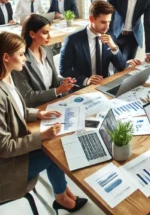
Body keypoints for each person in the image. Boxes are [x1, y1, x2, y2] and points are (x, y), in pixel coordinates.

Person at [0, 32, 87, 213]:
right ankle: (61, 196)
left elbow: (18, 110)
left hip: (16, 153)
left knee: (54, 145)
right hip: (8, 167)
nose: (25, 58)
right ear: (6, 57)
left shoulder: (8, 77)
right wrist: (42, 136)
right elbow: (5, 147)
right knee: (55, 152)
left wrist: (38, 113)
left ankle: (61, 192)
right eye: (22, 54)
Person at [60, 0, 129, 88]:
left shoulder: (110, 37)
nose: (107, 27)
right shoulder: (72, 40)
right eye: (103, 22)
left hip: (104, 85)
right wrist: (86, 80)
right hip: (82, 88)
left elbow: (121, 67)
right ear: (91, 19)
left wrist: (114, 47)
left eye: (109, 22)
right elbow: (64, 70)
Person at [12, 14, 76, 107]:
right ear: (32, 34)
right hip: (38, 109)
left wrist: (63, 81)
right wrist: (57, 91)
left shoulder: (47, 50)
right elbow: (27, 97)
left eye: (49, 32)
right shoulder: (20, 60)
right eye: (45, 33)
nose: (49, 37)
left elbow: (49, 79)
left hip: (54, 103)